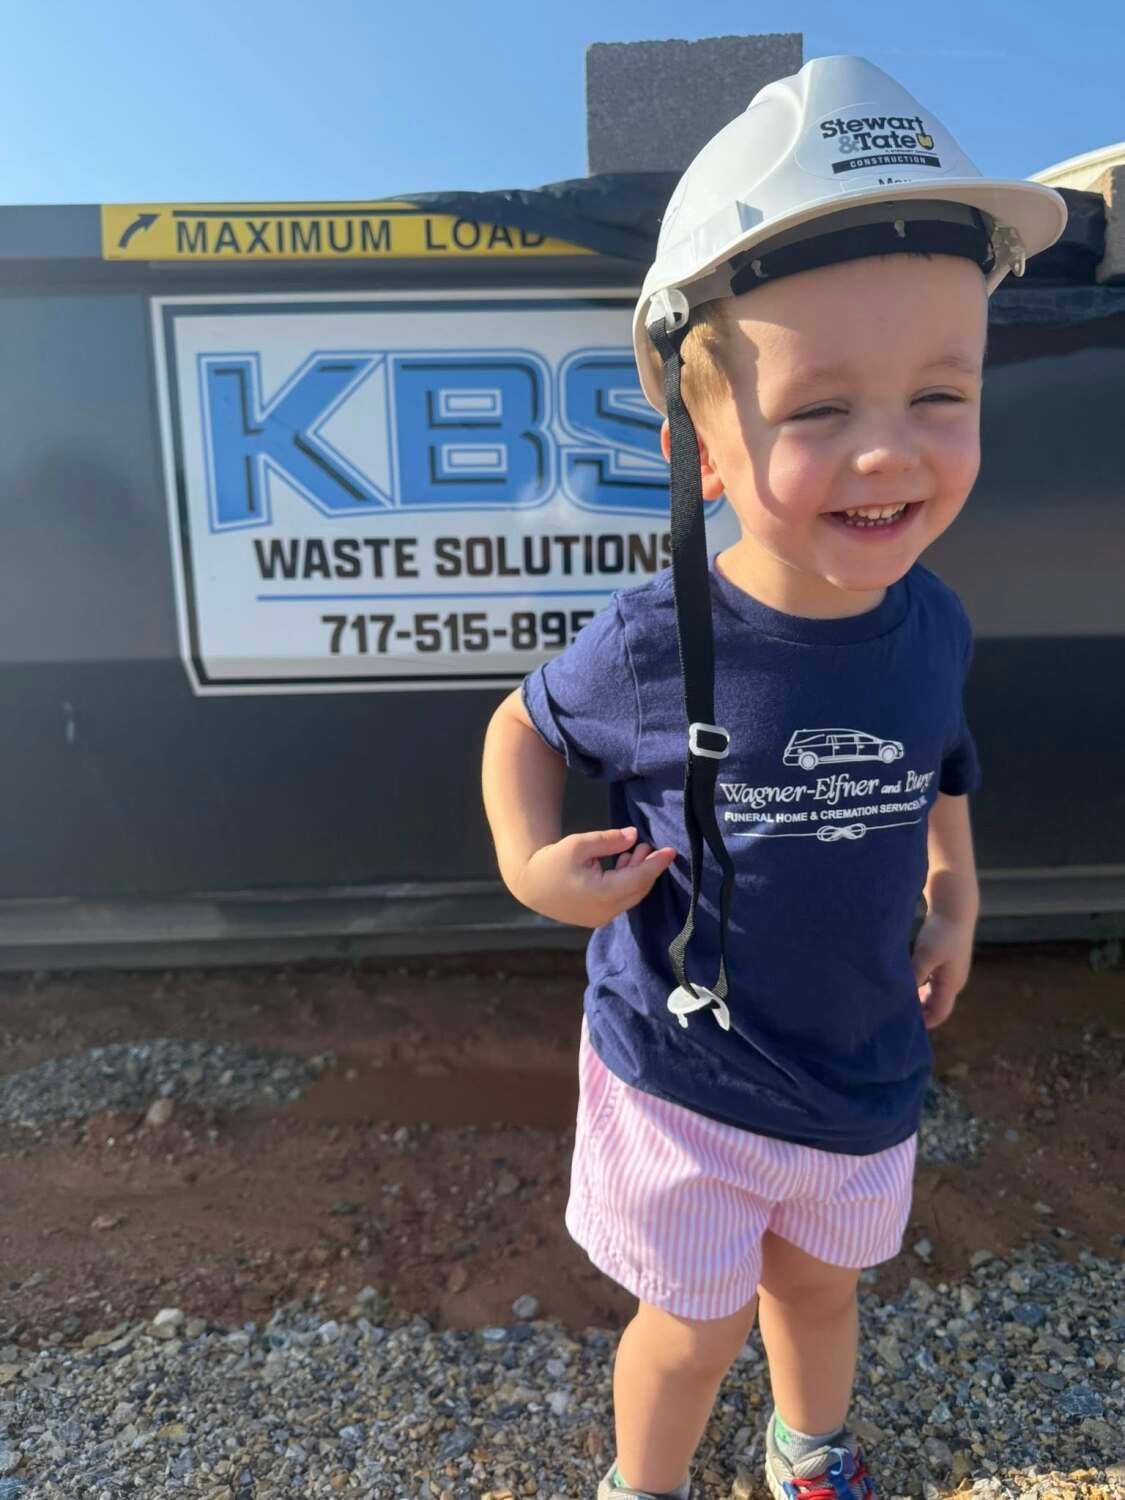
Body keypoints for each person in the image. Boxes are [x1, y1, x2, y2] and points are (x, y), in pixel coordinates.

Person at [481, 55, 1066, 1500]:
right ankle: (647, 1484)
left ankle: (808, 1456)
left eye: (941, 390)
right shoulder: (657, 635)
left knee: (819, 1292)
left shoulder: (928, 618)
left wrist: (954, 893)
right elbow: (522, 726)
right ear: (700, 445)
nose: (890, 450)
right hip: (684, 1076)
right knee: (692, 1324)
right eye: (816, 410)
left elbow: (939, 760)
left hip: (859, 1065)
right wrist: (526, 861)